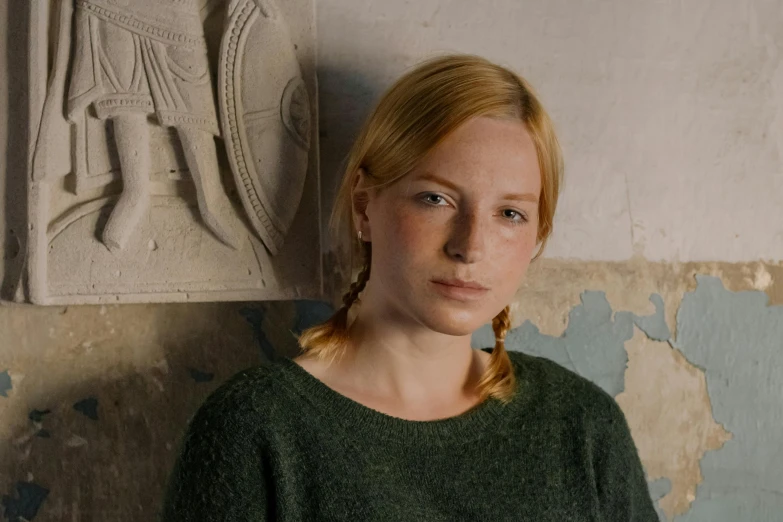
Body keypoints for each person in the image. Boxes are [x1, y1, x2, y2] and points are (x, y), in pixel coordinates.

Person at [160, 54, 658, 521]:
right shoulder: (255, 429)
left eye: (510, 213)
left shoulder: (583, 426)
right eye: (435, 198)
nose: (471, 246)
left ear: (537, 235)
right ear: (363, 206)